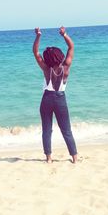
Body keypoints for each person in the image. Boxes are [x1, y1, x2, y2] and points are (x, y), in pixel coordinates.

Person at [33, 26, 78, 163]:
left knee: (47, 130)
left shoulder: (46, 68)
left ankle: (49, 158)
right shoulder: (66, 67)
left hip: (46, 99)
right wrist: (64, 35)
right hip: (60, 99)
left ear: (47, 58)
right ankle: (75, 158)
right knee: (66, 130)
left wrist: (38, 35)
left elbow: (35, 52)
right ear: (60, 56)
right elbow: (71, 47)